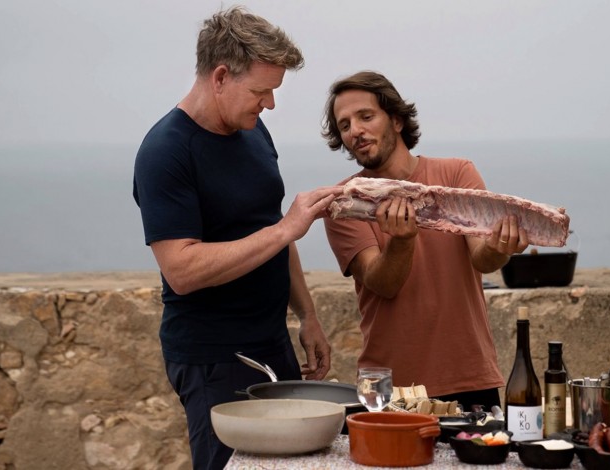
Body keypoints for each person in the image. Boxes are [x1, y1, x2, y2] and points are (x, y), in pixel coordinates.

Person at [132, 7, 341, 469]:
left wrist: (306, 316)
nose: (269, 105)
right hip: (212, 356)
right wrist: (288, 227)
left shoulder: (252, 130)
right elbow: (182, 270)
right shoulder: (165, 152)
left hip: (272, 342)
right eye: (262, 91)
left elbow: (270, 232)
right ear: (221, 76)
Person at [321, 71, 529, 411]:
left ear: (397, 120)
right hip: (385, 387)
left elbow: (482, 258)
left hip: (469, 375)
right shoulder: (345, 204)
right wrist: (402, 242)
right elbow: (382, 283)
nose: (354, 131)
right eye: (344, 126)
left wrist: (499, 245)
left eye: (366, 116)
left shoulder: (457, 174)